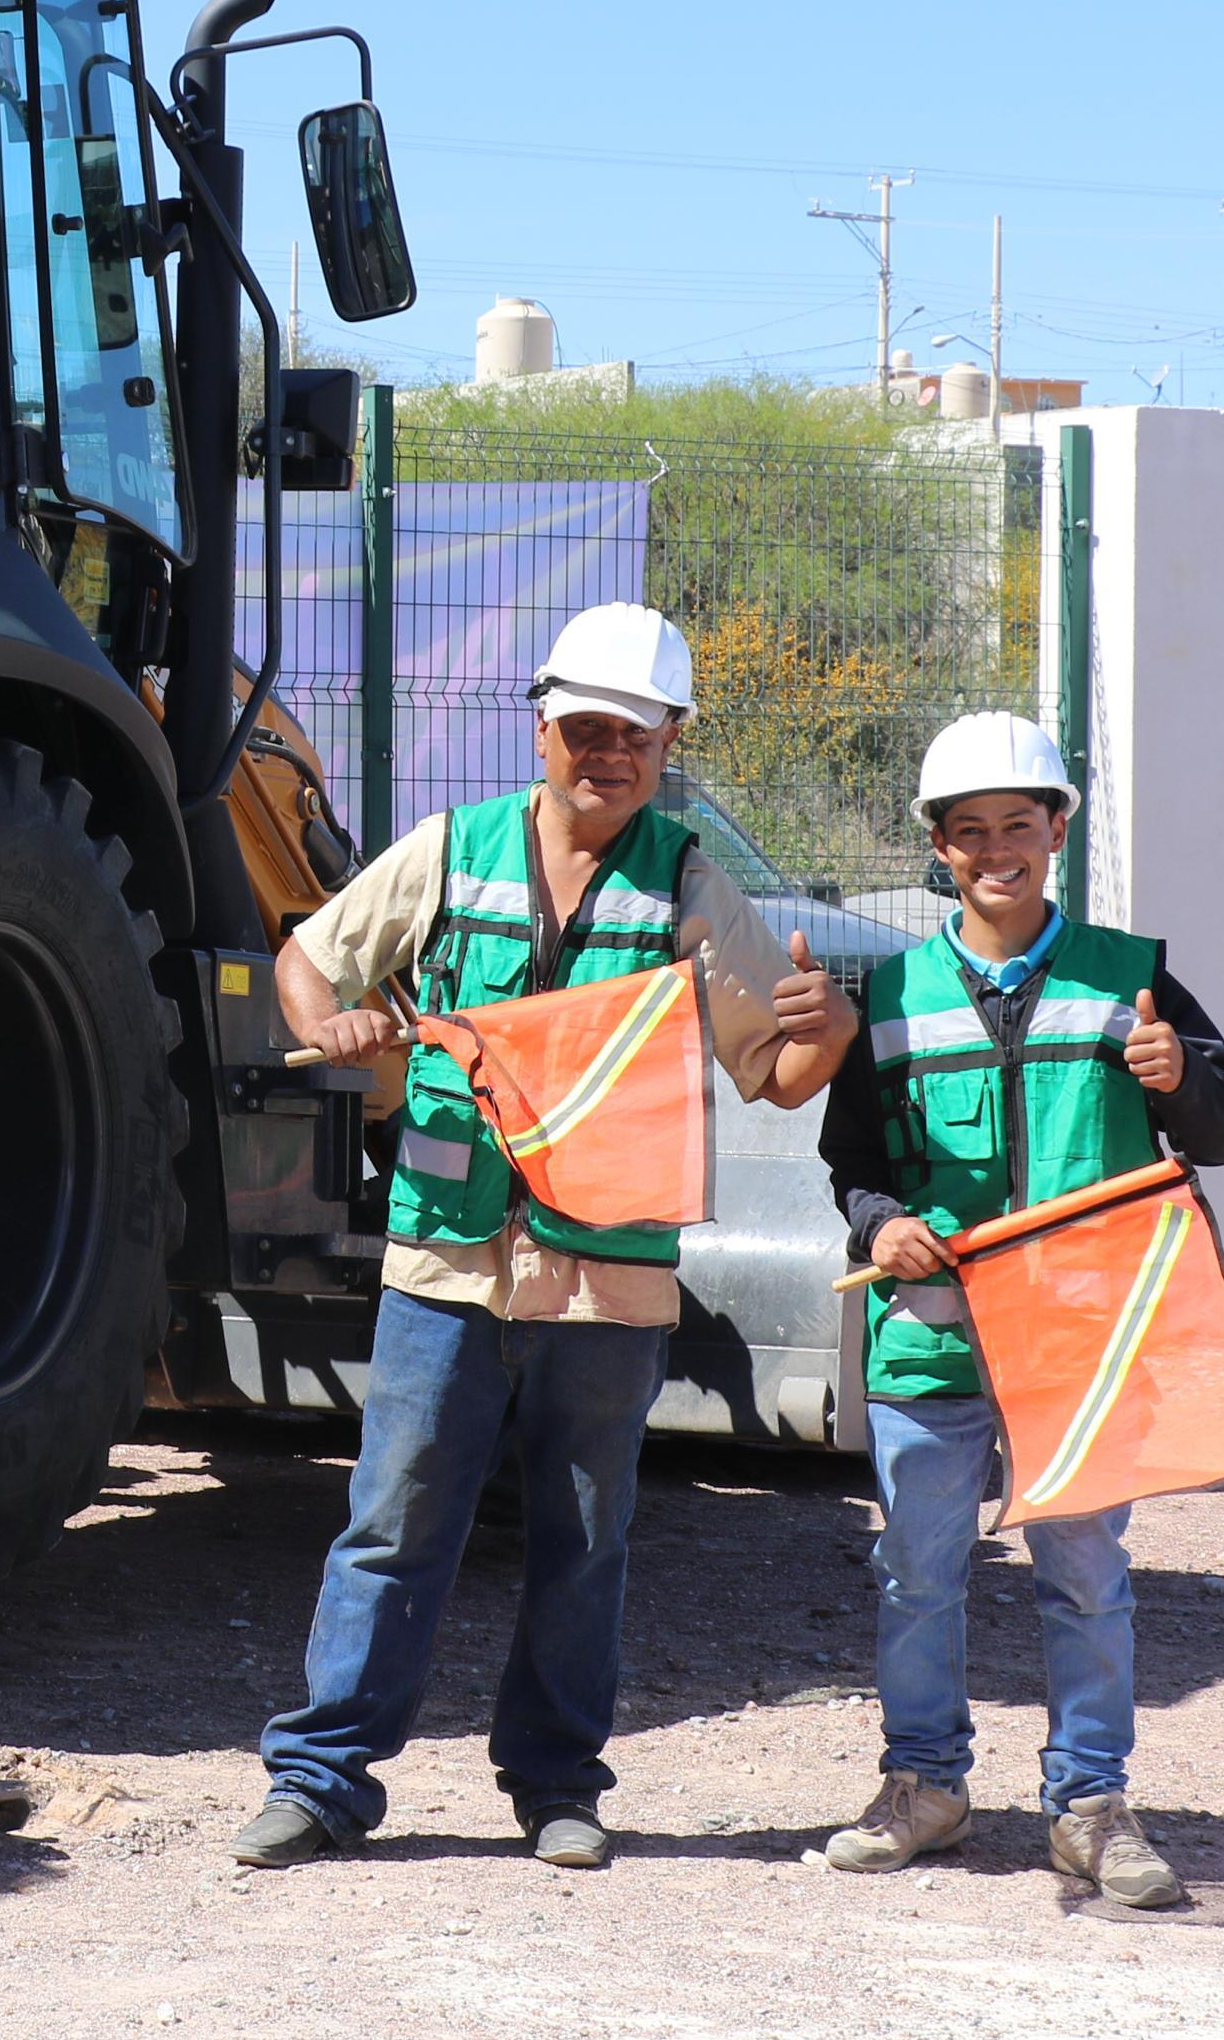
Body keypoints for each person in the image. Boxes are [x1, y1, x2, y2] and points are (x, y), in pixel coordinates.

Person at [235, 603, 853, 1871]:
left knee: (585, 1538)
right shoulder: (450, 851)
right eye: (584, 727)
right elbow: (305, 963)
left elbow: (774, 1074)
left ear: (667, 739)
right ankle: (319, 1780)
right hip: (446, 1261)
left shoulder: (688, 882)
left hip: (607, 1280)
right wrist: (340, 1025)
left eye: (632, 732)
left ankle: (558, 1786)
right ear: (540, 727)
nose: (606, 752)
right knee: (394, 1522)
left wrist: (825, 1025)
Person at [815, 710, 1224, 1908]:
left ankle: (1089, 1805)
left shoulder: (1130, 978)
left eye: (1018, 823)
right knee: (916, 1569)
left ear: (1055, 829)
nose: (994, 849)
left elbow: (1220, 1127)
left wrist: (1183, 1080)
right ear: (939, 847)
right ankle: (924, 1785)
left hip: (1082, 1344)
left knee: (1084, 1574)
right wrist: (875, 1224)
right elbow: (850, 1157)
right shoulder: (891, 993)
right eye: (969, 831)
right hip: (930, 1334)